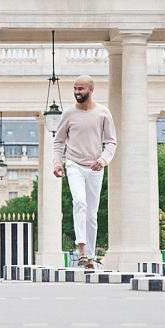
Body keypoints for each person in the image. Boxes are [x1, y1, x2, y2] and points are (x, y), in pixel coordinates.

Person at [52, 74, 117, 270]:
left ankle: (90, 257)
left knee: (91, 214)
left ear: (91, 89)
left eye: (80, 89)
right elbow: (59, 141)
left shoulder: (103, 113)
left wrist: (103, 160)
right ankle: (81, 248)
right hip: (74, 164)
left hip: (95, 167)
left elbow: (112, 142)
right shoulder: (68, 113)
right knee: (79, 201)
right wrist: (57, 162)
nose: (77, 93)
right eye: (74, 89)